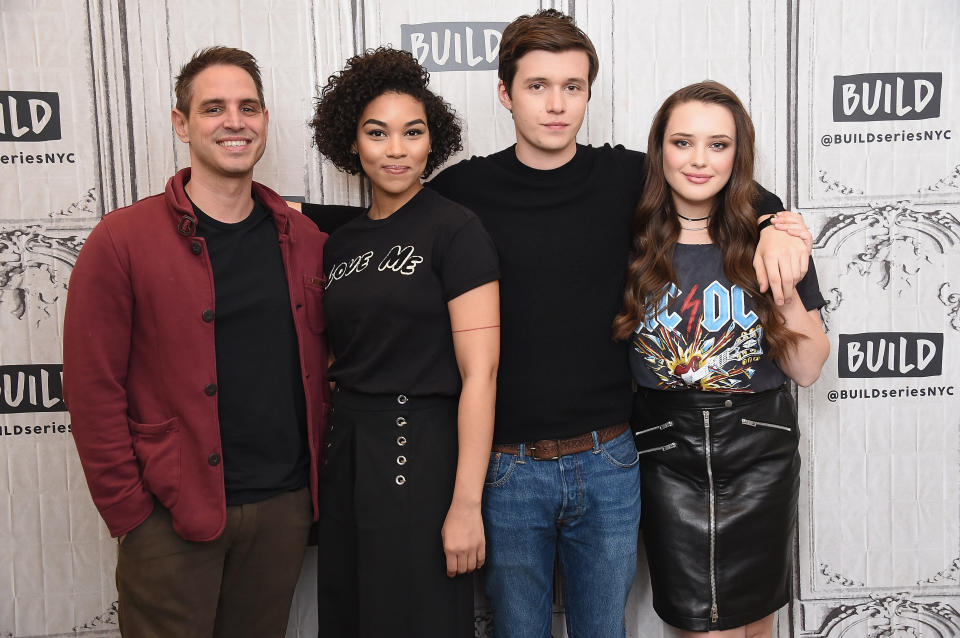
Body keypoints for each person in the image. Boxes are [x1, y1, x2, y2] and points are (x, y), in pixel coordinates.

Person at [302, 10, 809, 637]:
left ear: (589, 93)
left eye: (572, 87)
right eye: (537, 86)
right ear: (504, 93)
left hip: (612, 460)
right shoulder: (465, 191)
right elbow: (384, 214)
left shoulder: (626, 177)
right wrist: (274, 207)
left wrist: (780, 224)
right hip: (507, 466)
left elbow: (716, 183)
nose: (555, 105)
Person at [62, 46, 330, 638]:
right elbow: (91, 386)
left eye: (248, 107)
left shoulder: (304, 239)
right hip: (169, 515)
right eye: (213, 108)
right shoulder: (122, 240)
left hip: (282, 511)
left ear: (264, 121)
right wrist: (131, 512)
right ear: (182, 124)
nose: (234, 121)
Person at [614, 81, 829, 637]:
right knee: (694, 626)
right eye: (683, 142)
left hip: (758, 446)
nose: (699, 160)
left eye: (718, 144)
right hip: (666, 449)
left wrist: (777, 264)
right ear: (659, 148)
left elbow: (806, 368)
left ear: (739, 154)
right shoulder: (628, 234)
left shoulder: (771, 236)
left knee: (755, 624)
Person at [308, 47, 500, 638]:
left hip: (419, 447)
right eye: (377, 133)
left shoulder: (456, 229)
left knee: (416, 617)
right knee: (352, 612)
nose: (396, 149)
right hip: (347, 449)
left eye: (412, 132)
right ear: (352, 142)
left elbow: (481, 374)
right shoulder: (338, 242)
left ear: (431, 141)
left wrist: (466, 505)